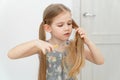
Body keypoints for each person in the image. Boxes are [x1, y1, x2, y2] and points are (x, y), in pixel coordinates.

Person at [7, 3, 104, 80]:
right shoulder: (44, 47)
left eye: (69, 23)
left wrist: (88, 42)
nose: (66, 28)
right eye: (60, 25)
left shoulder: (73, 46)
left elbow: (99, 61)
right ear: (48, 28)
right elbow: (11, 54)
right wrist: (35, 42)